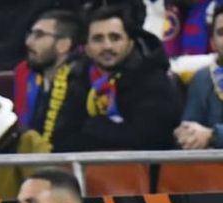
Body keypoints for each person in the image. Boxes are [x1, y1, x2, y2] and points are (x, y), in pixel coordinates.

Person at [57, 5, 181, 151]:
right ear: (87, 48)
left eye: (115, 38)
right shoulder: (76, 80)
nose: (107, 46)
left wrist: (95, 126)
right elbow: (62, 140)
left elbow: (148, 140)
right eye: (98, 39)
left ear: (130, 44)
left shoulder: (153, 79)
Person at [14, 9, 86, 149]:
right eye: (30, 34)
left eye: (39, 35)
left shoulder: (80, 85)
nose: (29, 42)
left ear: (63, 45)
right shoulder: (36, 80)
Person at [175, 3, 223, 150]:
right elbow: (190, 126)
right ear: (212, 43)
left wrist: (213, 135)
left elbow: (208, 135)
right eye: (221, 33)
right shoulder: (202, 78)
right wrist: (185, 134)